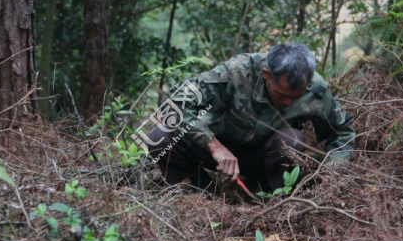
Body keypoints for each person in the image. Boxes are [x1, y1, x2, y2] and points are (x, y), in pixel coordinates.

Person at [143, 43, 356, 193]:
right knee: (159, 137)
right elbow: (175, 104)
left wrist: (330, 174)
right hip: (214, 152)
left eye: (296, 98)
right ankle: (201, 193)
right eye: (281, 95)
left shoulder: (317, 90)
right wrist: (214, 146)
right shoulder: (236, 72)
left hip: (262, 158)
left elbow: (342, 132)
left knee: (293, 140)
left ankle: (272, 197)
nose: (288, 103)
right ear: (266, 75)